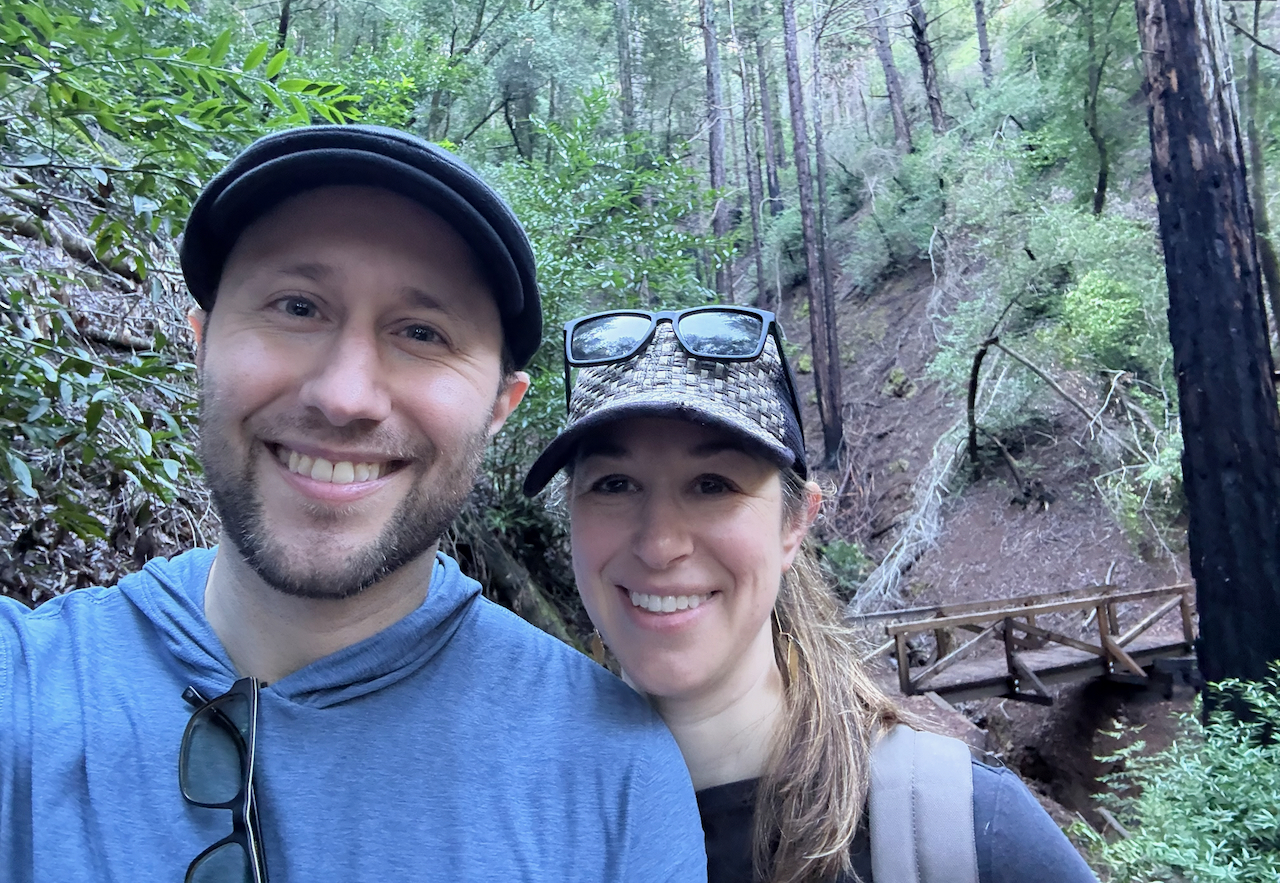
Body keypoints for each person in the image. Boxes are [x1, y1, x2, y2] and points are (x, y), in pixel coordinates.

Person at [0, 125, 706, 883]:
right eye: (297, 307)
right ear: (200, 342)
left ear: (500, 407)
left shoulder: (614, 781)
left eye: (422, 332)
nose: (344, 396)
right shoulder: (22, 690)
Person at [523, 306, 1101, 883]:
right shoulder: (512, 826)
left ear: (795, 523)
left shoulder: (969, 833)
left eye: (713, 485)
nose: (659, 545)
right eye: (615, 484)